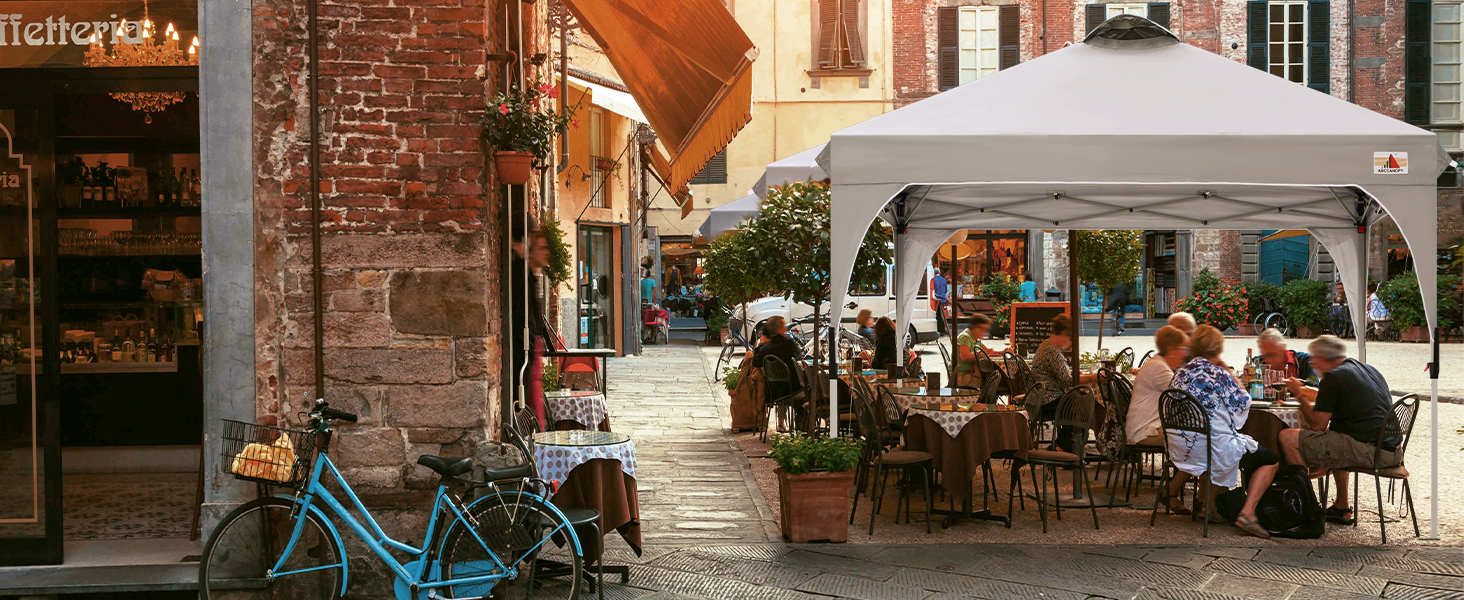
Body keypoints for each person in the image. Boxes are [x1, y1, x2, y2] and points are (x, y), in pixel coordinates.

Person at [1169, 325, 1280, 538]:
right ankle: (1247, 514)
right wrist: (1228, 371)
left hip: (1182, 446)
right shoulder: (1217, 373)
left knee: (1219, 440)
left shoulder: (1180, 372)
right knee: (1270, 460)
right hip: (1210, 447)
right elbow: (1242, 404)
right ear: (1218, 349)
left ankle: (1208, 507)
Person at [1278, 335, 1401, 526]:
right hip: (1392, 450)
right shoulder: (1368, 369)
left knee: (1287, 437)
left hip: (1372, 452)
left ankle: (1307, 508)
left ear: (1323, 358)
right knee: (1335, 433)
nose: (1313, 365)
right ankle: (1341, 507)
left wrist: (1300, 393)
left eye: (1314, 360)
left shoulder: (1333, 377)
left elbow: (1316, 426)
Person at [1127, 325, 1193, 513]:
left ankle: (1176, 492)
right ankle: (1174, 492)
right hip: (1145, 431)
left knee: (1199, 440)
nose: (1185, 354)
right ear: (1172, 349)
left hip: (1150, 426)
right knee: (1199, 442)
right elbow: (1186, 396)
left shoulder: (1158, 364)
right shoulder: (1159, 369)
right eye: (1183, 349)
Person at [1026, 314, 1099, 453]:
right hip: (1047, 400)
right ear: (1064, 333)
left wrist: (1079, 375)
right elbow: (1067, 381)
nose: (1070, 342)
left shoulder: (1045, 346)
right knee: (1083, 407)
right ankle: (1065, 448)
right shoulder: (1051, 350)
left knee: (1078, 404)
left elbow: (1061, 375)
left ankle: (1064, 445)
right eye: (1070, 337)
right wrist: (1091, 377)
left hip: (1040, 398)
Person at [510, 220, 555, 429]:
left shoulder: (529, 277)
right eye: (542, 248)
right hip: (525, 351)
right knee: (530, 408)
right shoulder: (521, 275)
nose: (546, 253)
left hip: (531, 349)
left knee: (535, 408)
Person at [752, 316, 804, 396]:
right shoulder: (789, 344)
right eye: (784, 326)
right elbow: (800, 357)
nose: (786, 328)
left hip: (772, 391)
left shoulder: (766, 348)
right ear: (779, 329)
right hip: (792, 389)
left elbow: (755, 362)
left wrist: (761, 344)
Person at [954, 313, 1005, 388]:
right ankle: (986, 399)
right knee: (992, 384)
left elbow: (988, 351)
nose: (985, 333)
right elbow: (964, 356)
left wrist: (1003, 352)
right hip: (960, 376)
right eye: (984, 329)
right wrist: (980, 354)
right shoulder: (965, 337)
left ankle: (989, 399)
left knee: (995, 381)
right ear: (975, 327)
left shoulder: (976, 339)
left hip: (969, 374)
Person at [932, 269, 950, 335]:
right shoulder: (944, 280)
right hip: (942, 299)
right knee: (942, 315)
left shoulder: (933, 280)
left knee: (936, 315)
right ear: (939, 272)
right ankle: (943, 329)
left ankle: (938, 329)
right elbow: (945, 290)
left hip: (936, 300)